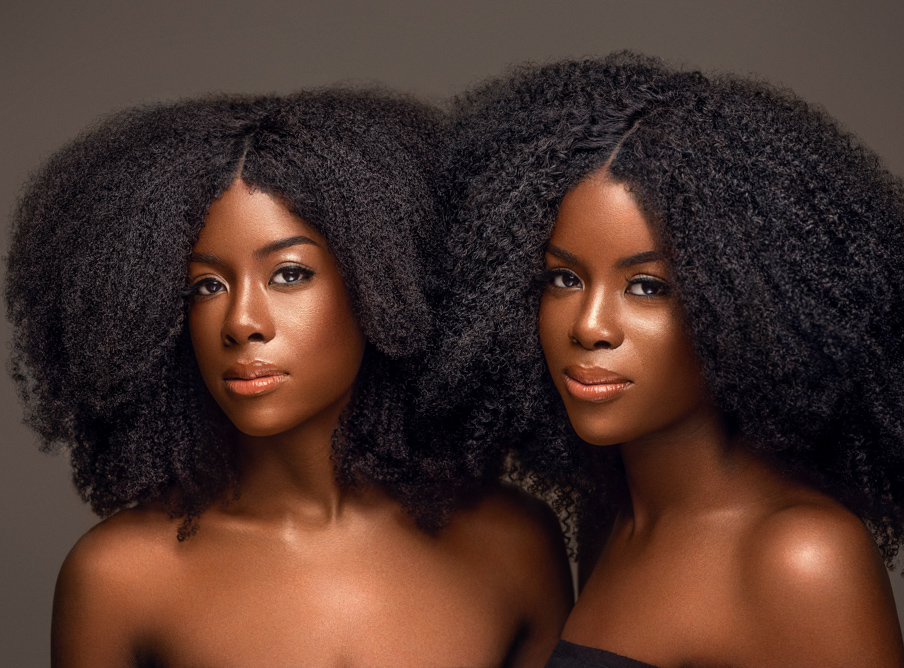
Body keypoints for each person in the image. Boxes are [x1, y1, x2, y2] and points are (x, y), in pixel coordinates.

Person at [429, 52, 904, 666]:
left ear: (747, 305)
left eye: (648, 288)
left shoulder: (801, 557)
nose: (589, 327)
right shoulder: (609, 517)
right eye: (563, 279)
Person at [5, 87, 571, 667]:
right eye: (206, 286)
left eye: (289, 274)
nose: (242, 322)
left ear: (384, 286)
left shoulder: (514, 545)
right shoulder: (120, 579)